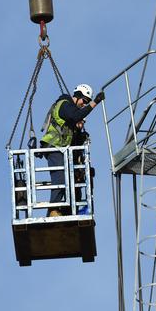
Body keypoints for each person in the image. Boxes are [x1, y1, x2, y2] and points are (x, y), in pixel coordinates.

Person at [40, 84, 104, 217]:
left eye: (86, 102)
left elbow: (73, 134)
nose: (83, 104)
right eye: (84, 101)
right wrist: (94, 102)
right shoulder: (64, 105)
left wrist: (80, 132)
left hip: (62, 149)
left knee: (73, 178)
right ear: (78, 96)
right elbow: (75, 116)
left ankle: (69, 210)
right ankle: (54, 209)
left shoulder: (71, 111)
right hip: (54, 146)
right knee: (60, 176)